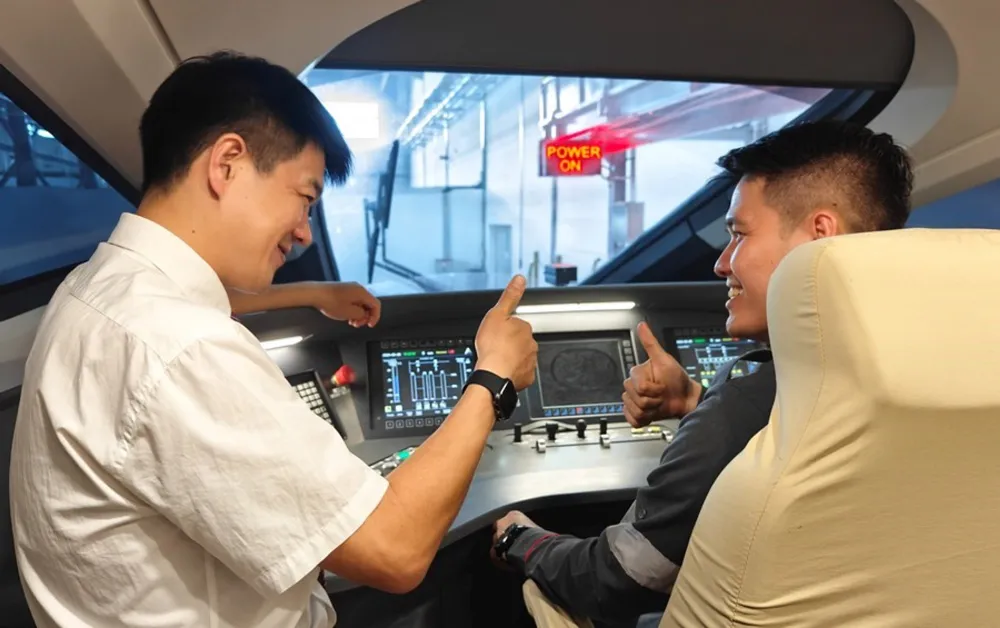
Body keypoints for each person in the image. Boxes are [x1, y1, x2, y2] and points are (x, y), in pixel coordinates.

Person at [10, 51, 538, 628]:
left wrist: (313, 292)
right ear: (228, 163)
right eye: (305, 197)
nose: (305, 232)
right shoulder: (185, 347)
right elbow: (396, 549)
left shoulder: (98, 285)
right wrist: (493, 377)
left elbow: (198, 296)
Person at [491, 119, 914, 628]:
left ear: (819, 235)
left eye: (739, 234)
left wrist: (520, 537)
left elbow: (613, 580)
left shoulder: (746, 407)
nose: (721, 263)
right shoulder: (944, 373)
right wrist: (694, 401)